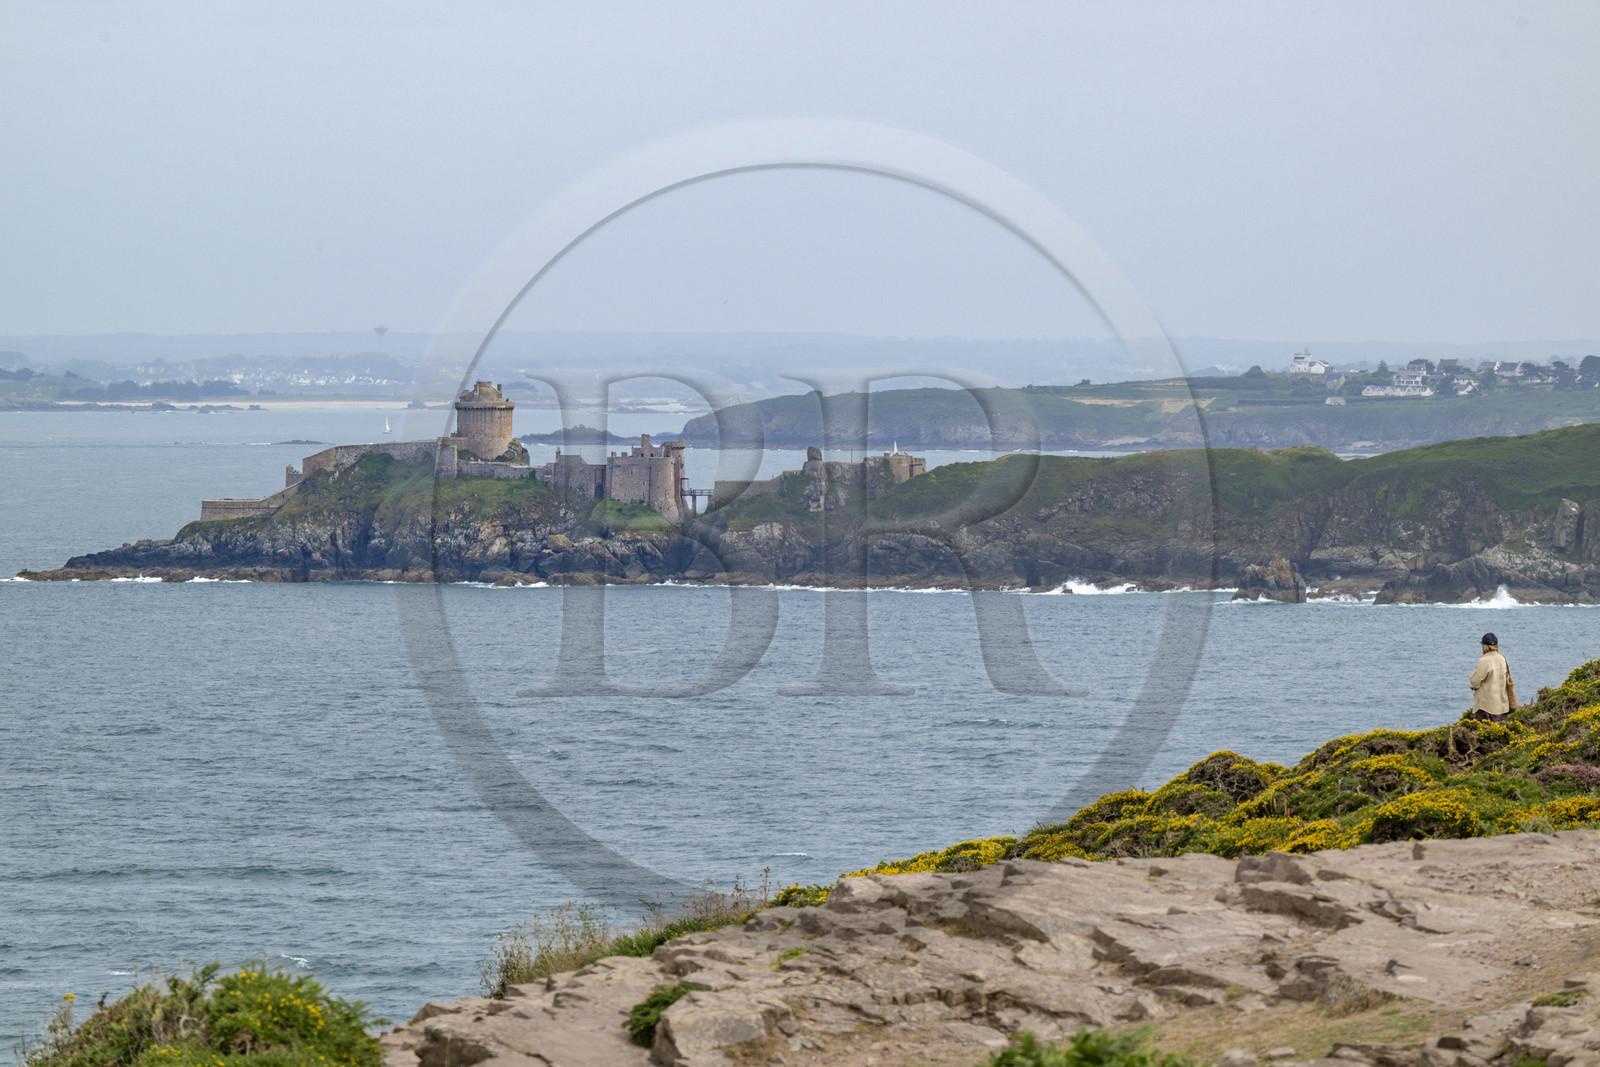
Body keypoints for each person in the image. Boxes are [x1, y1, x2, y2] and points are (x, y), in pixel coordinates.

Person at [1468, 632, 1514, 721]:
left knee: (1484, 733)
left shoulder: (1484, 661)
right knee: (1502, 733)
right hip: (1502, 707)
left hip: (1486, 707)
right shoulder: (1503, 659)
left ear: (1484, 646)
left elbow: (1474, 683)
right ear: (1497, 645)